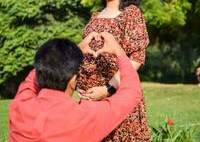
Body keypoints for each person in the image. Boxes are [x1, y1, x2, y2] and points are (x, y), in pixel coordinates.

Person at [8, 32, 142, 142]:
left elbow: (34, 76)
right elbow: (131, 92)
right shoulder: (85, 117)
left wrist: (73, 53)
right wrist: (120, 52)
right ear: (73, 80)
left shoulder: (20, 106)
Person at [76, 0, 151, 141]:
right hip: (90, 101)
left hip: (118, 98)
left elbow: (136, 59)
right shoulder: (94, 16)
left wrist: (108, 88)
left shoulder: (130, 14)